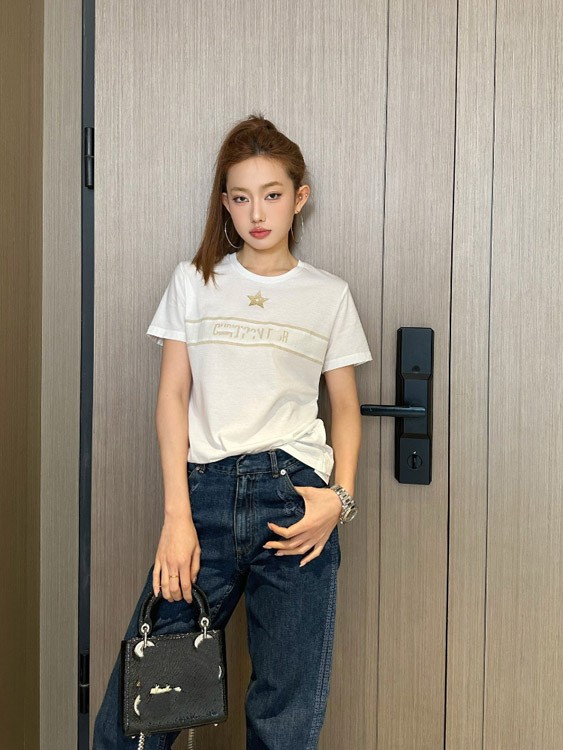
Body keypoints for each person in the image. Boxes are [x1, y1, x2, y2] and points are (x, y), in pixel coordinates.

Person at [93, 114, 372, 750]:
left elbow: (345, 408)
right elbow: (172, 398)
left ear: (299, 198)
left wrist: (341, 498)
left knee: (284, 713)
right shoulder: (195, 281)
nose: (257, 213)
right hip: (205, 498)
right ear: (225, 203)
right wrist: (176, 517)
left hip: (295, 501)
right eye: (241, 198)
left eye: (272, 194)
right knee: (141, 710)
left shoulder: (328, 295)